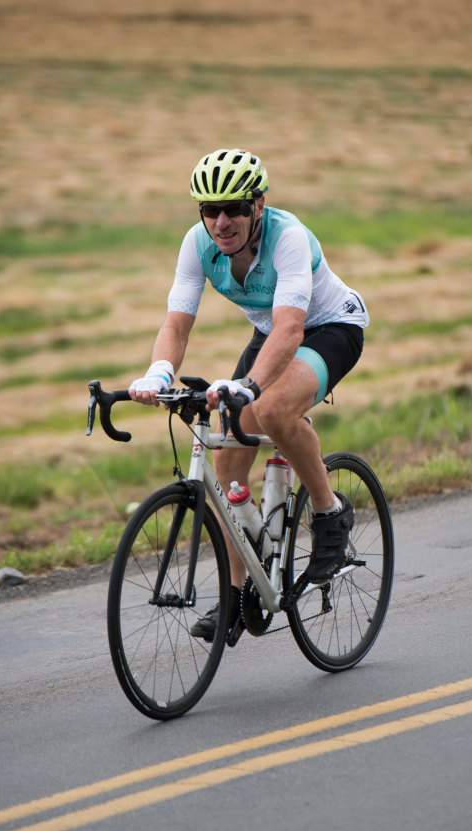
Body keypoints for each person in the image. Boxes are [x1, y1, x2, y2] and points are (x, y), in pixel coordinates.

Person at [129, 149, 368, 640]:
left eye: (234, 207)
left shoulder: (289, 238)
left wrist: (248, 386)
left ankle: (328, 514)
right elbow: (176, 323)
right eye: (210, 209)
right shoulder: (197, 245)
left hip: (328, 327)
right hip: (272, 332)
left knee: (274, 409)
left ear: (258, 204)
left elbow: (291, 327)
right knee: (226, 466)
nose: (221, 220)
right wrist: (157, 372)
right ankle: (238, 596)